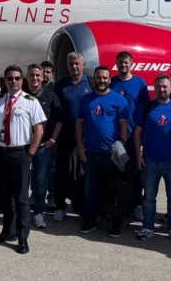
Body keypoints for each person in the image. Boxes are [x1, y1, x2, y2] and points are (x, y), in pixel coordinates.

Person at [0, 65, 45, 254]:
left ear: (22, 80)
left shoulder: (30, 102)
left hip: (21, 154)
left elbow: (39, 130)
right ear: (5, 81)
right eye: (10, 78)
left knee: (21, 198)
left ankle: (22, 237)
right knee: (5, 197)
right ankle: (8, 231)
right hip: (1, 154)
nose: (13, 82)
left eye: (17, 78)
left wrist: (30, 154)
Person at [134, 74, 171, 243]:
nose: (162, 89)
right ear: (155, 88)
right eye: (159, 86)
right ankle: (148, 227)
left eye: (165, 86)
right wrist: (138, 156)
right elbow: (137, 133)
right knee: (149, 197)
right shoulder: (146, 108)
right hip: (150, 161)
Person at [76, 66, 130, 237]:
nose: (102, 81)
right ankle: (91, 220)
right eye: (99, 77)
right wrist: (80, 147)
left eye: (105, 78)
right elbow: (79, 124)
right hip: (91, 153)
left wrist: (121, 146)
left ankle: (114, 222)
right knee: (89, 189)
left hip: (111, 154)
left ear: (109, 79)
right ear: (94, 79)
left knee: (113, 190)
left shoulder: (118, 99)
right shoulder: (86, 100)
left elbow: (123, 125)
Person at [52, 51, 92, 222]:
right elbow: (55, 112)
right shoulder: (61, 85)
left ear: (83, 65)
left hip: (86, 138)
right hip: (65, 137)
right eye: (71, 64)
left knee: (83, 174)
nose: (74, 67)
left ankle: (82, 206)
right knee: (61, 173)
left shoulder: (91, 83)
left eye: (77, 63)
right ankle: (60, 206)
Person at [110, 51, 148, 221]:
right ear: (116, 64)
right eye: (120, 62)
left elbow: (145, 109)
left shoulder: (140, 83)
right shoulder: (112, 82)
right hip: (115, 137)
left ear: (131, 64)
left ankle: (138, 205)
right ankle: (118, 205)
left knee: (136, 173)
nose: (123, 65)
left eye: (126, 62)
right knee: (117, 173)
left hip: (134, 136)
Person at [24, 63, 62, 229]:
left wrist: (52, 140)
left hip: (43, 147)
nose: (35, 78)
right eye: (31, 75)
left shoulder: (50, 96)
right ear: (27, 77)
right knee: (23, 181)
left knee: (40, 181)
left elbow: (59, 120)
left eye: (38, 75)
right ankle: (22, 212)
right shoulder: (21, 95)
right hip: (23, 146)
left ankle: (39, 213)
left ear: (42, 77)